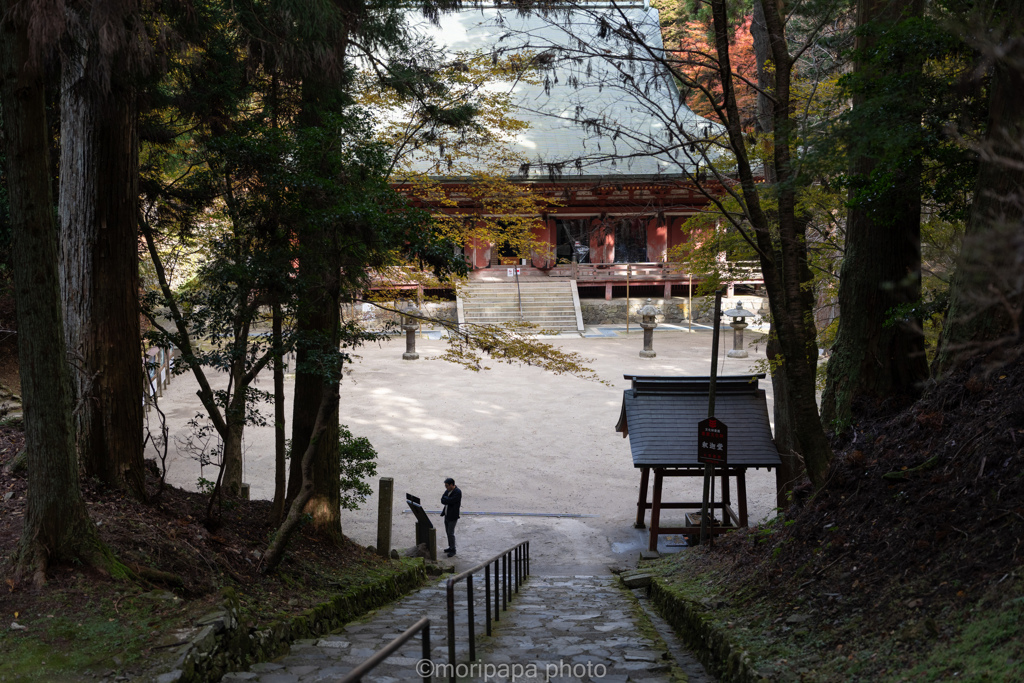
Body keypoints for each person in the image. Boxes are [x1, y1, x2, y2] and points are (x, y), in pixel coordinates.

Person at [440, 477, 461, 557]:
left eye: (447, 486)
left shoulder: (457, 492)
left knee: (450, 533)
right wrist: (447, 499)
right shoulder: (447, 491)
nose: (446, 487)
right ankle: (450, 547)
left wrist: (447, 499)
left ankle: (453, 549)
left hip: (453, 516)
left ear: (452, 485)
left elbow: (451, 501)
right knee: (448, 532)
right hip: (447, 514)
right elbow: (442, 500)